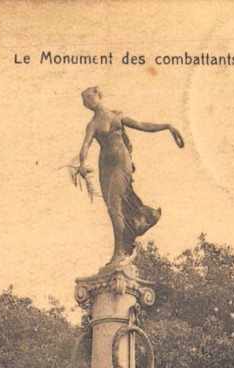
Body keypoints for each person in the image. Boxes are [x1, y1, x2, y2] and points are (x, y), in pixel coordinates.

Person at [77, 87, 184, 265]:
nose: (87, 102)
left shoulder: (117, 116)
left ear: (99, 96)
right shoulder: (93, 125)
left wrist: (167, 126)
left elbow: (142, 125)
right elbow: (85, 145)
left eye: (89, 97)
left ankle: (120, 251)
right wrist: (82, 163)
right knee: (113, 207)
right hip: (105, 166)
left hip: (121, 161)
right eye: (84, 101)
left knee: (114, 205)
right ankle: (134, 226)